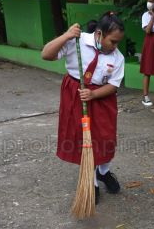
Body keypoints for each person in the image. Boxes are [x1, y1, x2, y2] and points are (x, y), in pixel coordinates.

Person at [41, 12, 125, 205]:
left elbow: (113, 85)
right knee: (84, 139)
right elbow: (46, 54)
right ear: (99, 34)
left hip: (102, 98)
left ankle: (103, 172)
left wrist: (94, 94)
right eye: (112, 41)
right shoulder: (77, 41)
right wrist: (66, 36)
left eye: (118, 42)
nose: (115, 46)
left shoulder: (117, 57)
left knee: (105, 138)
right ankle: (91, 180)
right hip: (76, 95)